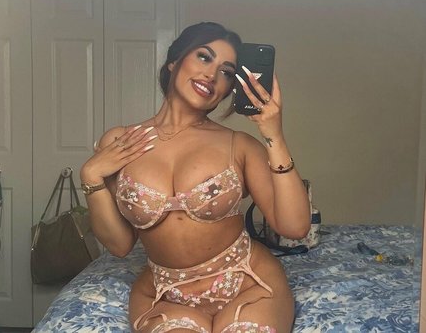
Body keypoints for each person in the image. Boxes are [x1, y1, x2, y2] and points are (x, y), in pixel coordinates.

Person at [80, 22, 311, 333]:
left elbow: (295, 227)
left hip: (249, 283)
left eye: (226, 72)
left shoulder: (239, 146)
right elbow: (120, 245)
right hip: (166, 295)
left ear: (229, 88)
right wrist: (91, 175)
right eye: (204, 57)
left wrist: (274, 135)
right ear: (174, 61)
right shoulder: (121, 143)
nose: (212, 75)